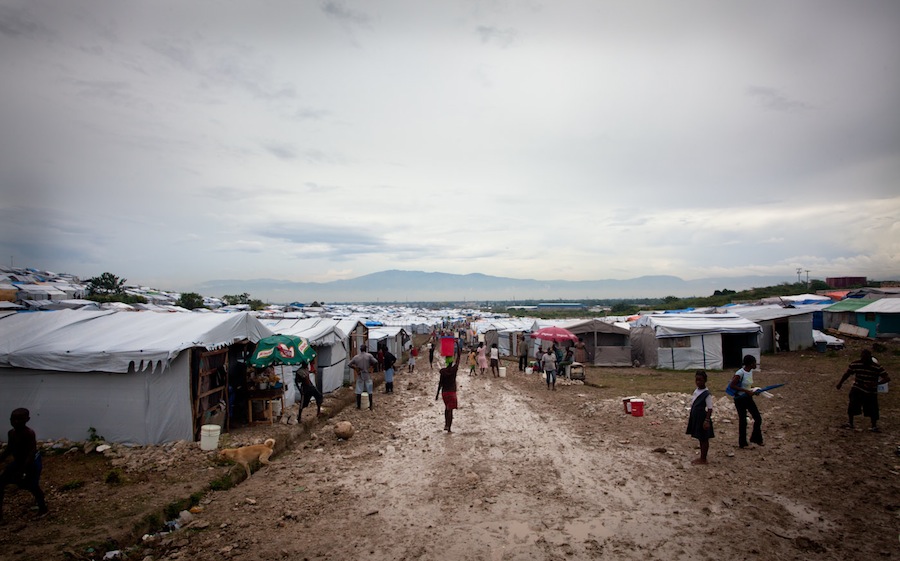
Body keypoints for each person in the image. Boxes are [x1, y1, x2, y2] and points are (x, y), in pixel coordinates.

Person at [0, 408, 48, 522]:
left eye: (19, 419)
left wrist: (21, 471)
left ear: (27, 420)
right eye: (13, 419)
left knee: (32, 485)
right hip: (19, 462)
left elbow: (31, 454)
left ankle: (43, 508)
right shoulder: (11, 433)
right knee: (1, 482)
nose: (16, 422)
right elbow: (9, 449)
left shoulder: (29, 433)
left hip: (31, 462)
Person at [837, 349, 890, 432]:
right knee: (852, 405)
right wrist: (840, 383)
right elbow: (847, 374)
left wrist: (876, 383)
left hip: (870, 391)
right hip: (858, 388)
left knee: (872, 408)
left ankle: (874, 426)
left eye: (866, 358)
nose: (864, 360)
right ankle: (850, 423)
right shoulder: (856, 364)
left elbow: (887, 378)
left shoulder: (876, 367)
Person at [728, 355, 763, 448]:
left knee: (758, 418)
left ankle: (756, 438)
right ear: (751, 363)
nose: (756, 364)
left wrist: (754, 390)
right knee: (743, 420)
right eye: (755, 362)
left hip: (748, 397)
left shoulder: (750, 371)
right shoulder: (740, 373)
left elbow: (747, 385)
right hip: (740, 399)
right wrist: (746, 391)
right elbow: (732, 385)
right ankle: (742, 443)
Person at [686, 371, 714, 464]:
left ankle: (703, 458)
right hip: (696, 417)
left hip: (702, 418)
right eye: (697, 380)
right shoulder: (697, 390)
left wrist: (707, 420)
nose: (698, 382)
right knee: (700, 437)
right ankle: (702, 457)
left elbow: (710, 408)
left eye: (700, 380)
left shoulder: (707, 394)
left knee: (704, 438)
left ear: (705, 381)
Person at [435, 351, 460, 432]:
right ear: (452, 361)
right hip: (452, 392)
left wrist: (437, 394)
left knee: (446, 408)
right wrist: (458, 349)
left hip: (444, 393)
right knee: (450, 410)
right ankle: (449, 428)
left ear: (446, 362)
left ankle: (446, 424)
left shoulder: (443, 371)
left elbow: (440, 383)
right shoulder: (454, 370)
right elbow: (458, 359)